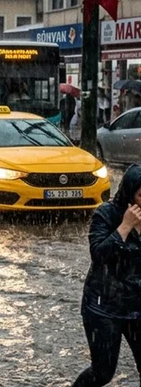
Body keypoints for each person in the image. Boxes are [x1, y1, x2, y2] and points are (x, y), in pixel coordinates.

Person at [72, 165, 141, 386]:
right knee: (103, 373)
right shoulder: (106, 214)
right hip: (103, 307)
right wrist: (125, 227)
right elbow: (99, 254)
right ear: (130, 194)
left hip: (137, 306)